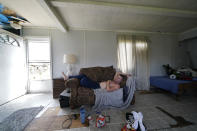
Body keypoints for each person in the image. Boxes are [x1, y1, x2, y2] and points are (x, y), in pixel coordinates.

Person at [62, 72, 129, 92]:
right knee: (83, 75)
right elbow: (118, 72)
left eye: (119, 78)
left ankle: (68, 78)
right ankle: (67, 77)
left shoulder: (117, 85)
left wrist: (108, 83)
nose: (117, 78)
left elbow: (108, 90)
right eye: (117, 77)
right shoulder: (114, 80)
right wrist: (125, 74)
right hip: (96, 83)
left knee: (83, 80)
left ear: (121, 81)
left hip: (96, 86)